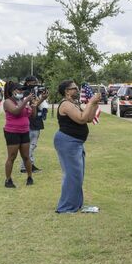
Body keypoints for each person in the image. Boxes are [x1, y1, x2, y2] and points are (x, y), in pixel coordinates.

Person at [54, 80, 101, 213]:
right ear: (66, 91)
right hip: (67, 142)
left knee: (77, 175)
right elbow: (81, 118)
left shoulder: (74, 104)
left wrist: (94, 104)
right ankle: (65, 207)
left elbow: (89, 118)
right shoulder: (65, 105)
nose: (77, 90)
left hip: (75, 143)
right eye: (74, 88)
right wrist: (91, 102)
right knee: (72, 175)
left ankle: (76, 204)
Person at [2, 81, 34, 188]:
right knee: (12, 156)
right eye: (19, 89)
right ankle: (8, 180)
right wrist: (26, 102)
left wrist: (36, 102)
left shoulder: (22, 100)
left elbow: (32, 114)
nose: (21, 91)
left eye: (22, 90)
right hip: (12, 132)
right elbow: (16, 112)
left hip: (24, 131)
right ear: (12, 91)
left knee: (26, 156)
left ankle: (30, 177)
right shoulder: (8, 102)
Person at [20, 76, 47, 174]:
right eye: (34, 82)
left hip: (35, 120)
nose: (36, 84)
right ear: (28, 83)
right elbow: (32, 106)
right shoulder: (27, 93)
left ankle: (28, 164)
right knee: (32, 144)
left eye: (37, 82)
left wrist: (42, 97)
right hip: (32, 120)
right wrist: (42, 99)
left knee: (31, 144)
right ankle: (26, 165)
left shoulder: (33, 92)